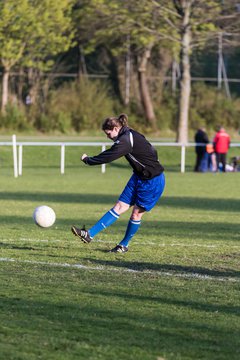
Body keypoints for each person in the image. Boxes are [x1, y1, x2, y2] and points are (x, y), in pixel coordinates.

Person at [71, 113, 165, 253]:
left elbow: (109, 156)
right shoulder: (128, 135)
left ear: (116, 128)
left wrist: (88, 160)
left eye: (108, 133)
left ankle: (124, 245)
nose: (108, 137)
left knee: (136, 214)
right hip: (138, 177)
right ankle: (89, 234)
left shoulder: (126, 139)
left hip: (152, 181)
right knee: (119, 206)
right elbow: (152, 150)